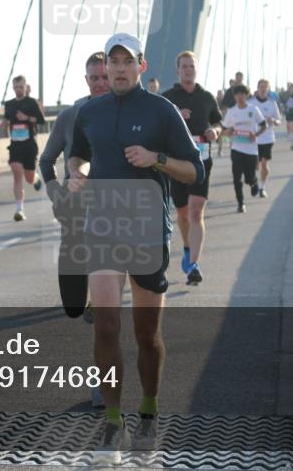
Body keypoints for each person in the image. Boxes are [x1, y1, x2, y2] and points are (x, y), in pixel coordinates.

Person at [68, 33, 203, 462]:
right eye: (114, 61)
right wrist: (76, 172)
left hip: (147, 232)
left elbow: (194, 171)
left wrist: (155, 159)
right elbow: (76, 155)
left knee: (147, 334)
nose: (120, 69)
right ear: (105, 67)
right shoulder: (90, 112)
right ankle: (113, 423)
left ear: (141, 66)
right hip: (103, 229)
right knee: (106, 327)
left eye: (128, 61)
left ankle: (148, 411)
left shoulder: (161, 111)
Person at [39, 52, 109, 317]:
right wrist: (54, 190)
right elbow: (46, 160)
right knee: (73, 305)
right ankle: (84, 300)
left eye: (104, 77)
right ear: (86, 79)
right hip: (75, 202)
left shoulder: (126, 114)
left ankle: (100, 300)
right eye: (94, 78)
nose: (100, 83)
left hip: (114, 198)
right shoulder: (70, 116)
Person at [161, 50, 222, 285]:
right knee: (183, 213)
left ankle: (194, 265)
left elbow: (218, 121)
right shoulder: (167, 98)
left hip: (202, 159)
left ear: (197, 69)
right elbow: (157, 126)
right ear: (178, 70)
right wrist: (176, 115)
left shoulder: (206, 97)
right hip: (177, 163)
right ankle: (187, 247)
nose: (188, 70)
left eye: (192, 66)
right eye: (184, 66)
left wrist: (215, 131)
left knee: (196, 211)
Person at [2, 75, 46, 221]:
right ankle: (19, 209)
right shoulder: (9, 104)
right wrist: (4, 122)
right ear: (13, 88)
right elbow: (7, 118)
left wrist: (26, 118)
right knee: (16, 173)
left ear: (25, 87)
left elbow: (41, 120)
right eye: (16, 87)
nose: (18, 90)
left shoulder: (31, 103)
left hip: (29, 144)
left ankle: (36, 178)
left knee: (29, 178)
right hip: (15, 145)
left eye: (21, 87)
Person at [221, 84, 267, 212]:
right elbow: (224, 131)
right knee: (236, 178)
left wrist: (256, 134)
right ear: (234, 96)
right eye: (237, 94)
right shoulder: (232, 112)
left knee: (249, 178)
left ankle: (253, 182)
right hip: (236, 149)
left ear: (246, 95)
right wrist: (228, 132)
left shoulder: (253, 109)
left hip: (251, 150)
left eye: (242, 94)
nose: (240, 97)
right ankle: (240, 203)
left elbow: (264, 125)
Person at [248, 79, 281, 198]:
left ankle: (262, 188)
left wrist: (274, 121)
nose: (263, 89)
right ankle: (255, 182)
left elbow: (279, 121)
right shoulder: (251, 103)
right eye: (261, 86)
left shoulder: (272, 103)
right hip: (254, 138)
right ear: (257, 88)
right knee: (255, 166)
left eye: (265, 87)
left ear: (268, 89)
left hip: (268, 138)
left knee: (264, 164)